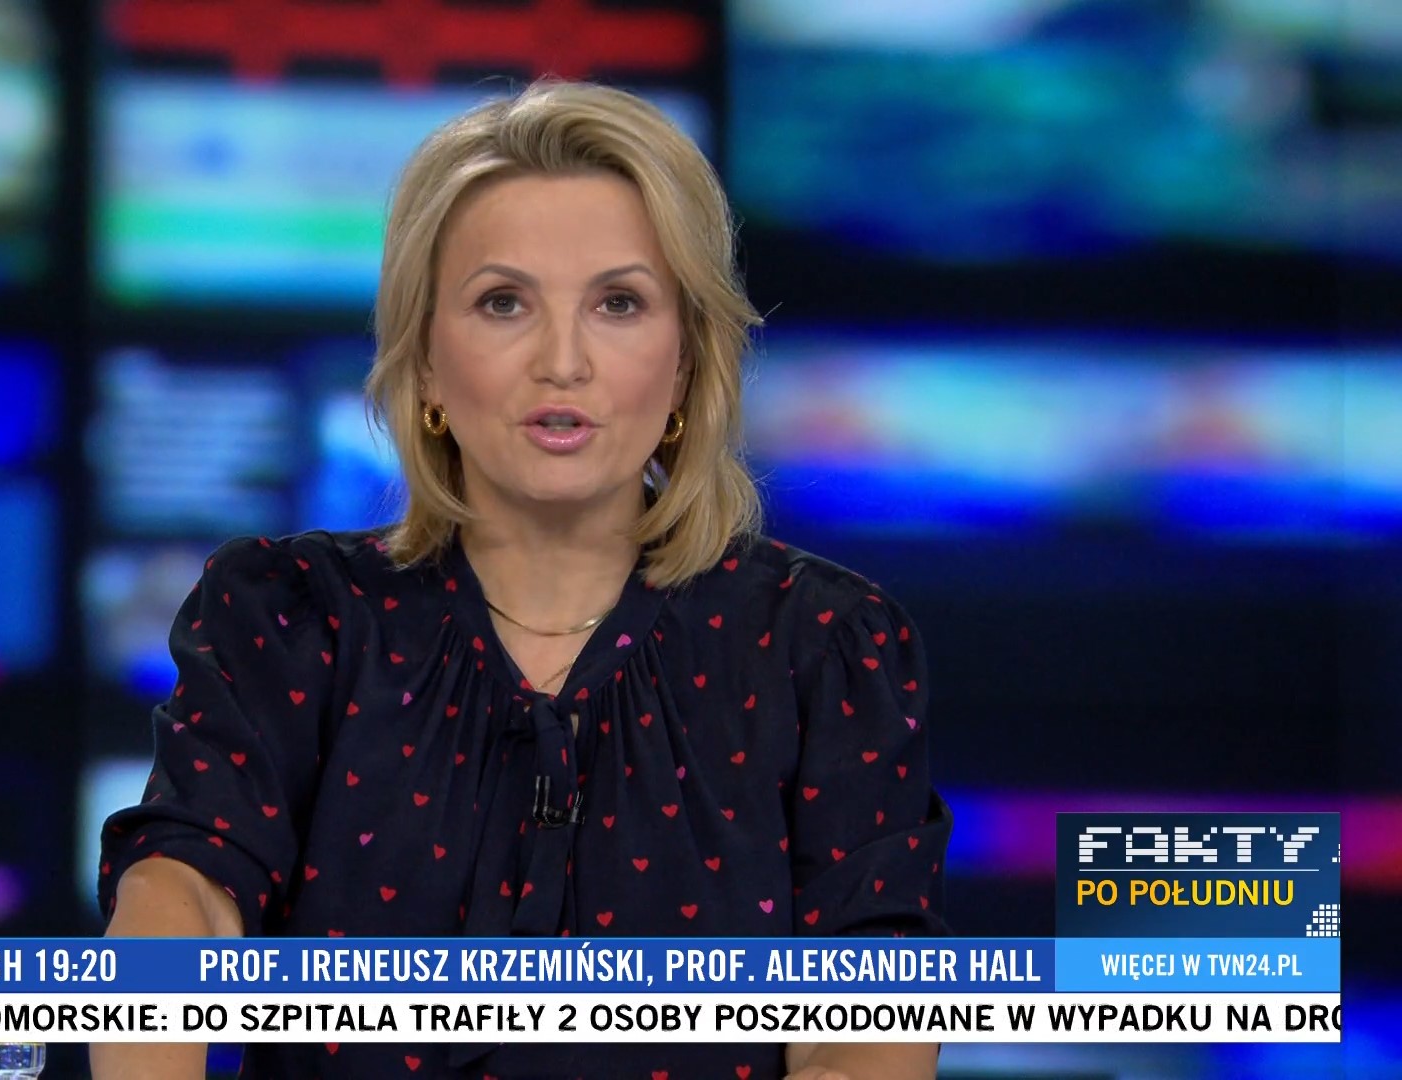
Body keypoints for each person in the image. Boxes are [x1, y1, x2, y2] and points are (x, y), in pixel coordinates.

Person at [93, 80, 952, 1080]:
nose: (562, 361)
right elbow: (188, 886)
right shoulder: (295, 619)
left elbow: (865, 1025)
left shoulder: (822, 647)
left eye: (618, 304)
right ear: (424, 361)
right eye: (504, 302)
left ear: (686, 363)